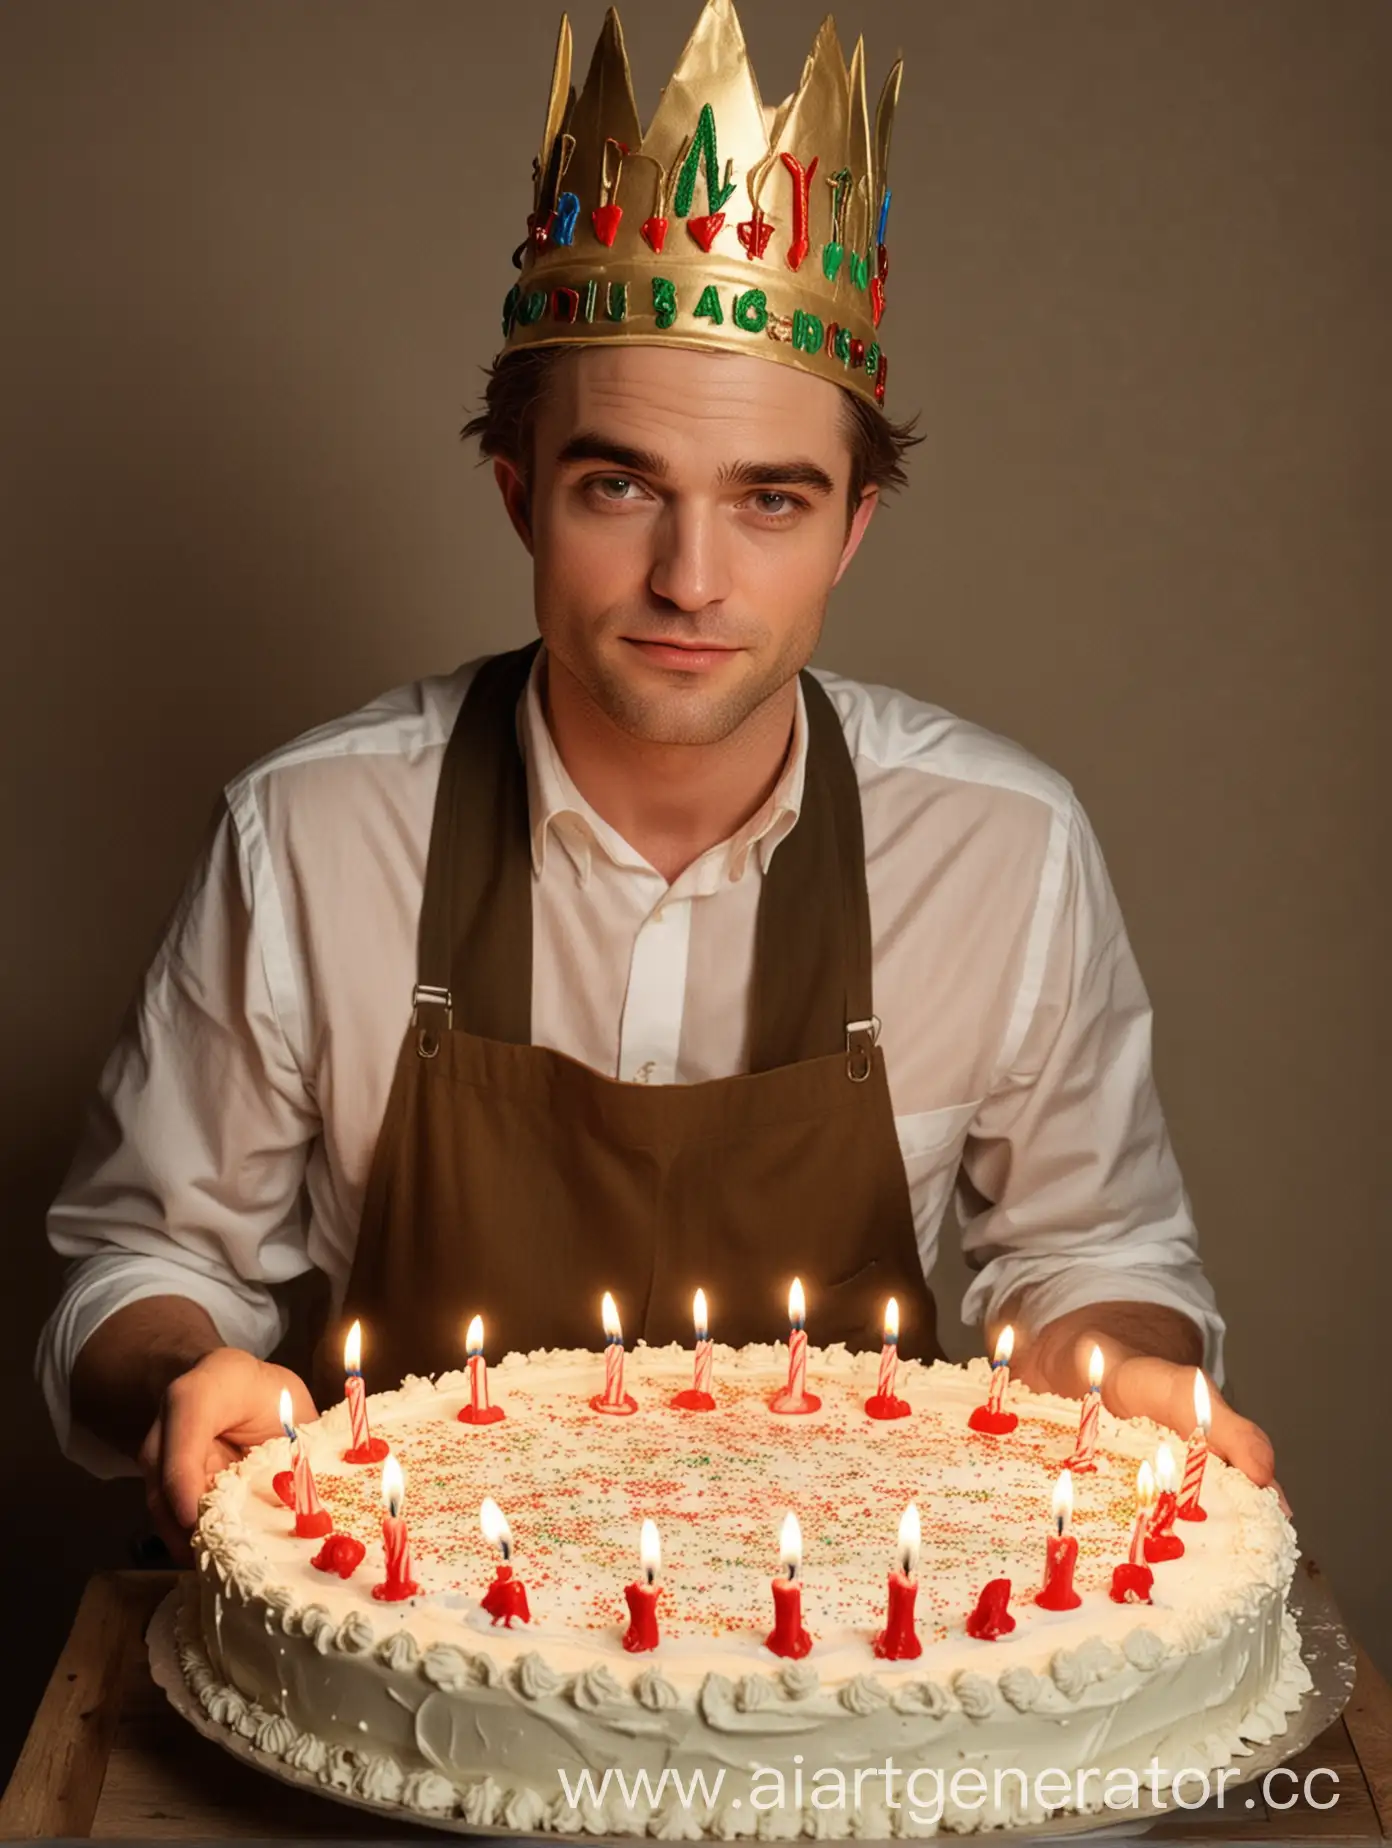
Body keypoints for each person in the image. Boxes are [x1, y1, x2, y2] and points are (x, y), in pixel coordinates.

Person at [36, 0, 1278, 1562]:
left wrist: (1137, 1369)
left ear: (851, 532)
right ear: (518, 498)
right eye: (620, 484)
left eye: (771, 499)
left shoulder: (1002, 850)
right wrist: (179, 1365)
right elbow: (138, 1262)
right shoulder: (313, 831)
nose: (691, 578)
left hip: (850, 1652)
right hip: (414, 1630)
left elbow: (1087, 1255)